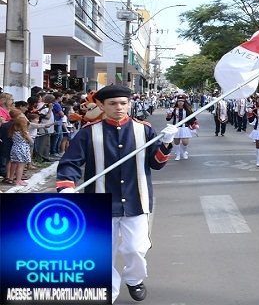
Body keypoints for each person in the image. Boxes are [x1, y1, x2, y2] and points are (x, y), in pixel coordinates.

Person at [56, 85, 178, 303]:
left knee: (135, 249)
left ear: (129, 104)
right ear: (102, 106)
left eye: (123, 103)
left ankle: (134, 279)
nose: (119, 107)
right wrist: (66, 186)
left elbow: (156, 163)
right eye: (112, 104)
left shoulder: (144, 130)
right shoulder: (88, 132)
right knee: (102, 253)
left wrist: (166, 144)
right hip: (100, 201)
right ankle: (108, 292)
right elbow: (70, 162)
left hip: (136, 200)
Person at [165, 94, 197, 161]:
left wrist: (194, 125)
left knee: (185, 142)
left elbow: (192, 118)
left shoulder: (187, 109)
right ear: (177, 101)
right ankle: (178, 154)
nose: (180, 102)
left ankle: (184, 152)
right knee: (176, 142)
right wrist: (169, 115)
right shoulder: (173, 109)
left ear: (184, 102)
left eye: (182, 101)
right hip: (176, 127)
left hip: (185, 127)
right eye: (179, 101)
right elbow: (168, 119)